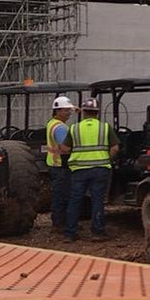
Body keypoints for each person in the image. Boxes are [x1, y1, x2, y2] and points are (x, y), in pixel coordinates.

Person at [59, 98, 118, 242]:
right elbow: (115, 148)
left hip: (79, 170)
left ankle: (70, 233)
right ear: (97, 113)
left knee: (75, 200)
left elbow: (65, 149)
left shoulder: (74, 128)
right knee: (97, 200)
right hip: (100, 169)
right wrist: (107, 159)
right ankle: (97, 232)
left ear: (84, 112)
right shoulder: (105, 127)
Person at [45, 96, 75, 231]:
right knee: (62, 196)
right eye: (66, 110)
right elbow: (64, 148)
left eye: (70, 110)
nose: (69, 113)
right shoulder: (61, 128)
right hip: (60, 166)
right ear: (57, 111)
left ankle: (59, 222)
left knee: (59, 194)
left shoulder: (52, 123)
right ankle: (60, 223)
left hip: (54, 164)